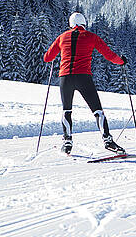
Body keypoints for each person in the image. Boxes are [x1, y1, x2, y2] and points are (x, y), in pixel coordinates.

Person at [43, 12, 127, 155]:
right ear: (84, 23)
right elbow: (109, 55)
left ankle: (67, 142)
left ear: (71, 24)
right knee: (97, 111)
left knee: (66, 111)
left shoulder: (62, 37)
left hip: (65, 78)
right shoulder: (91, 37)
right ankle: (108, 141)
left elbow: (47, 58)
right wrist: (122, 61)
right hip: (83, 77)